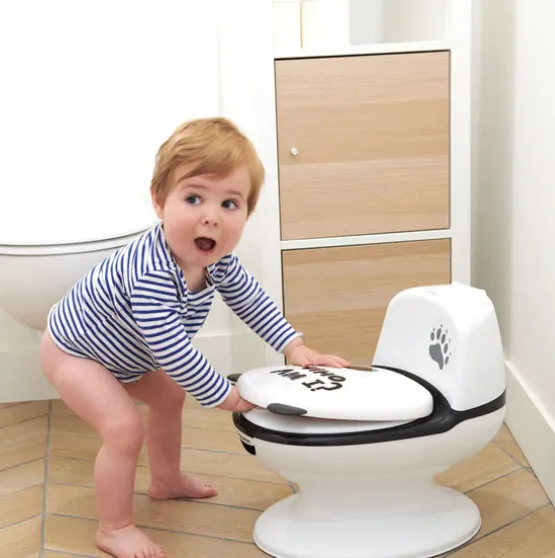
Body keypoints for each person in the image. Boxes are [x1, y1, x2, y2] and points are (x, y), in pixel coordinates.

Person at [40, 117, 349, 558]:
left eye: (230, 203)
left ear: (246, 214)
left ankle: (165, 479)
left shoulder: (217, 261)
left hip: (124, 357)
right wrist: (224, 394)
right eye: (193, 198)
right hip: (74, 353)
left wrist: (294, 346)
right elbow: (171, 349)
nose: (211, 216)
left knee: (169, 395)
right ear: (159, 201)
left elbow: (252, 301)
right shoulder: (151, 272)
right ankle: (114, 527)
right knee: (123, 429)